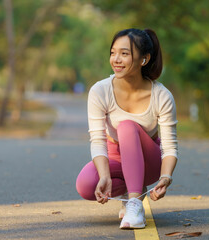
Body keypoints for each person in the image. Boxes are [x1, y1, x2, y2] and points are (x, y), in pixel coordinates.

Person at [76, 28, 178, 229]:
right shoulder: (100, 90)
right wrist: (104, 176)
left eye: (124, 53)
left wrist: (166, 177)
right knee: (86, 185)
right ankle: (133, 187)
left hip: (150, 162)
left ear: (144, 59)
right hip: (116, 158)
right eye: (113, 53)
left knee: (127, 127)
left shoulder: (162, 96)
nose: (116, 59)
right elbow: (97, 140)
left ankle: (134, 204)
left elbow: (169, 147)